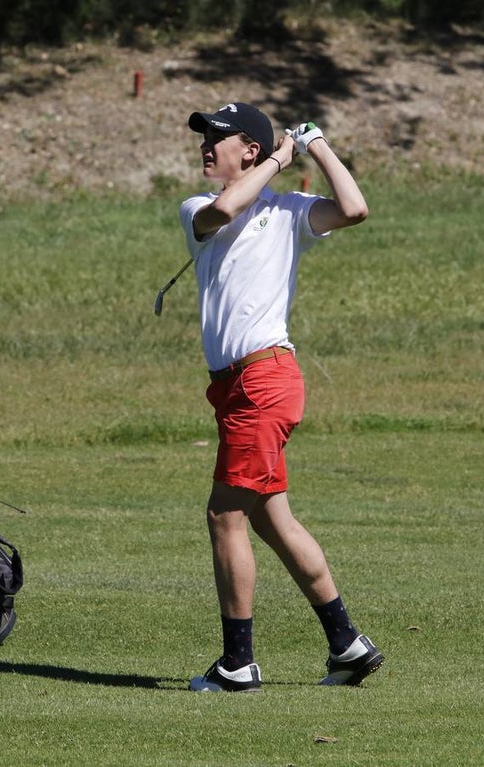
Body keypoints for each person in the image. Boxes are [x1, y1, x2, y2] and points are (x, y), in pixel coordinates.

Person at [178, 102, 383, 692]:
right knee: (271, 519)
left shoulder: (289, 212)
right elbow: (225, 207)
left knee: (224, 516)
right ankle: (347, 646)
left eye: (218, 137)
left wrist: (314, 145)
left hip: (263, 381)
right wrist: (276, 158)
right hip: (233, 386)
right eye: (204, 137)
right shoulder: (196, 206)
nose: (205, 146)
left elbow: (354, 208)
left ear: (249, 149)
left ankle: (237, 666)